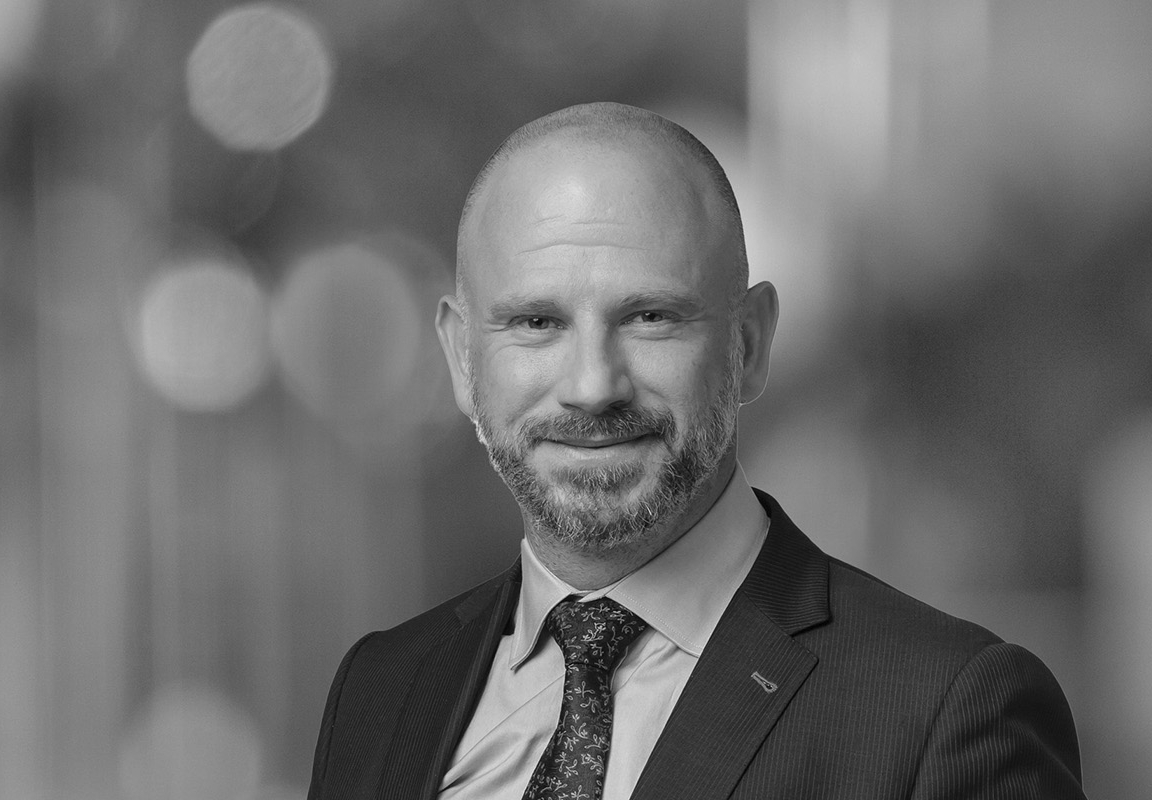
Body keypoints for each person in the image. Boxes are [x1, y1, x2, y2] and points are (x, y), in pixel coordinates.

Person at [307, 102, 1087, 800]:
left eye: (650, 317)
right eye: (537, 323)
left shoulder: (946, 712)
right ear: (460, 357)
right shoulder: (380, 690)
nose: (592, 387)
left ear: (749, 344)